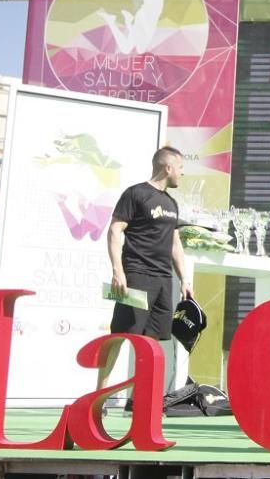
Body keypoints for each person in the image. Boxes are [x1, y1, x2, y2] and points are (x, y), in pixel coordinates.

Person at [97, 145, 194, 392]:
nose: (182, 173)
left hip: (163, 279)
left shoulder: (172, 203)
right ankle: (99, 395)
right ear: (167, 167)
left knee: (151, 342)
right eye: (180, 167)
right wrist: (118, 270)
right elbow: (115, 230)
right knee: (121, 334)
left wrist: (184, 278)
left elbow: (175, 242)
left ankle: (141, 399)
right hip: (137, 274)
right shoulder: (136, 194)